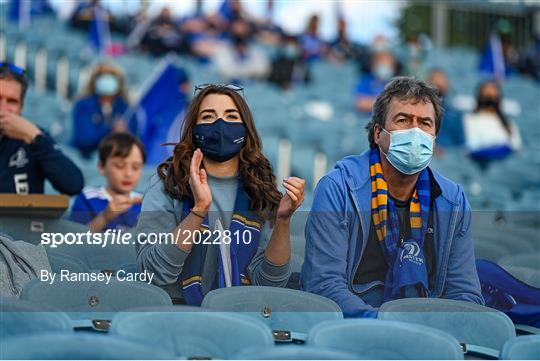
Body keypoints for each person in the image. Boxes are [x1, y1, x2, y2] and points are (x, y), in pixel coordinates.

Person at [302, 77, 484, 318]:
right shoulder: (338, 189)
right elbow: (324, 285)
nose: (415, 131)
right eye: (403, 120)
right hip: (352, 331)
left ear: (434, 138)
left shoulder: (453, 201)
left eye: (425, 123)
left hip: (427, 333)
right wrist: (388, 326)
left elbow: (464, 294)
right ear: (379, 133)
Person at [136, 84, 305, 304]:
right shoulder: (167, 182)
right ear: (194, 130)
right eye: (208, 117)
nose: (220, 124)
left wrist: (283, 221)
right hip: (176, 313)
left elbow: (269, 284)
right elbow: (154, 273)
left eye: (231, 116)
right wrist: (198, 212)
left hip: (241, 315)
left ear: (246, 129)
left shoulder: (260, 188)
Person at [0, 62, 83, 195]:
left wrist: (35, 138)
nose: (3, 109)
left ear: (21, 107)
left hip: (23, 216)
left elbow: (73, 185)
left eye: (12, 101)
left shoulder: (32, 136)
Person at [70, 133, 146, 232]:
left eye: (136, 167)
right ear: (102, 167)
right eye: (120, 166)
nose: (128, 173)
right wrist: (105, 217)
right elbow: (75, 240)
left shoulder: (145, 202)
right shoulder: (88, 198)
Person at [71, 62, 130, 158]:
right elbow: (84, 139)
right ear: (95, 80)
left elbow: (134, 140)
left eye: (111, 75)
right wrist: (112, 131)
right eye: (101, 76)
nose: (107, 79)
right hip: (87, 159)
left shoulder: (126, 108)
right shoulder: (83, 105)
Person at [463, 80, 522, 167]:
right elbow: (470, 147)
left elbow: (517, 148)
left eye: (494, 94)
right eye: (487, 94)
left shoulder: (509, 124)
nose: (490, 95)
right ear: (479, 96)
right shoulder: (468, 119)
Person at [427, 68, 464, 150]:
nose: (438, 88)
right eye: (434, 84)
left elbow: (461, 144)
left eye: (441, 86)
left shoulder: (455, 115)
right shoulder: (418, 112)